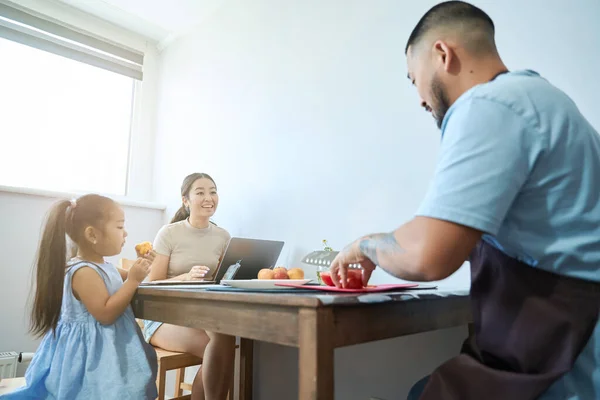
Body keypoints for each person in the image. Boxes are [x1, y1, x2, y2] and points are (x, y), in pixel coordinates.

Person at [329, 2, 600, 399]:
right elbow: (433, 228)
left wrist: (364, 245)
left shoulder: (488, 105)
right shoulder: (547, 101)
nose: (420, 99)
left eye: (413, 79)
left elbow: (427, 256)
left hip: (562, 361)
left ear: (443, 54)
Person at [2, 194, 157, 399]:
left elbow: (130, 283)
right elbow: (105, 314)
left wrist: (142, 265)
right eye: (120, 227)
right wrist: (133, 280)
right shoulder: (83, 272)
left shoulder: (105, 267)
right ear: (92, 235)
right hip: (92, 355)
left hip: (113, 347)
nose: (125, 233)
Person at [141, 173, 235, 400]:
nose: (208, 198)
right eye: (200, 192)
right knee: (219, 346)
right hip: (163, 317)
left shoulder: (223, 236)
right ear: (185, 200)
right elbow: (151, 283)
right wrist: (185, 277)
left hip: (201, 312)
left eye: (213, 191)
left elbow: (221, 279)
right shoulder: (169, 233)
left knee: (224, 339)